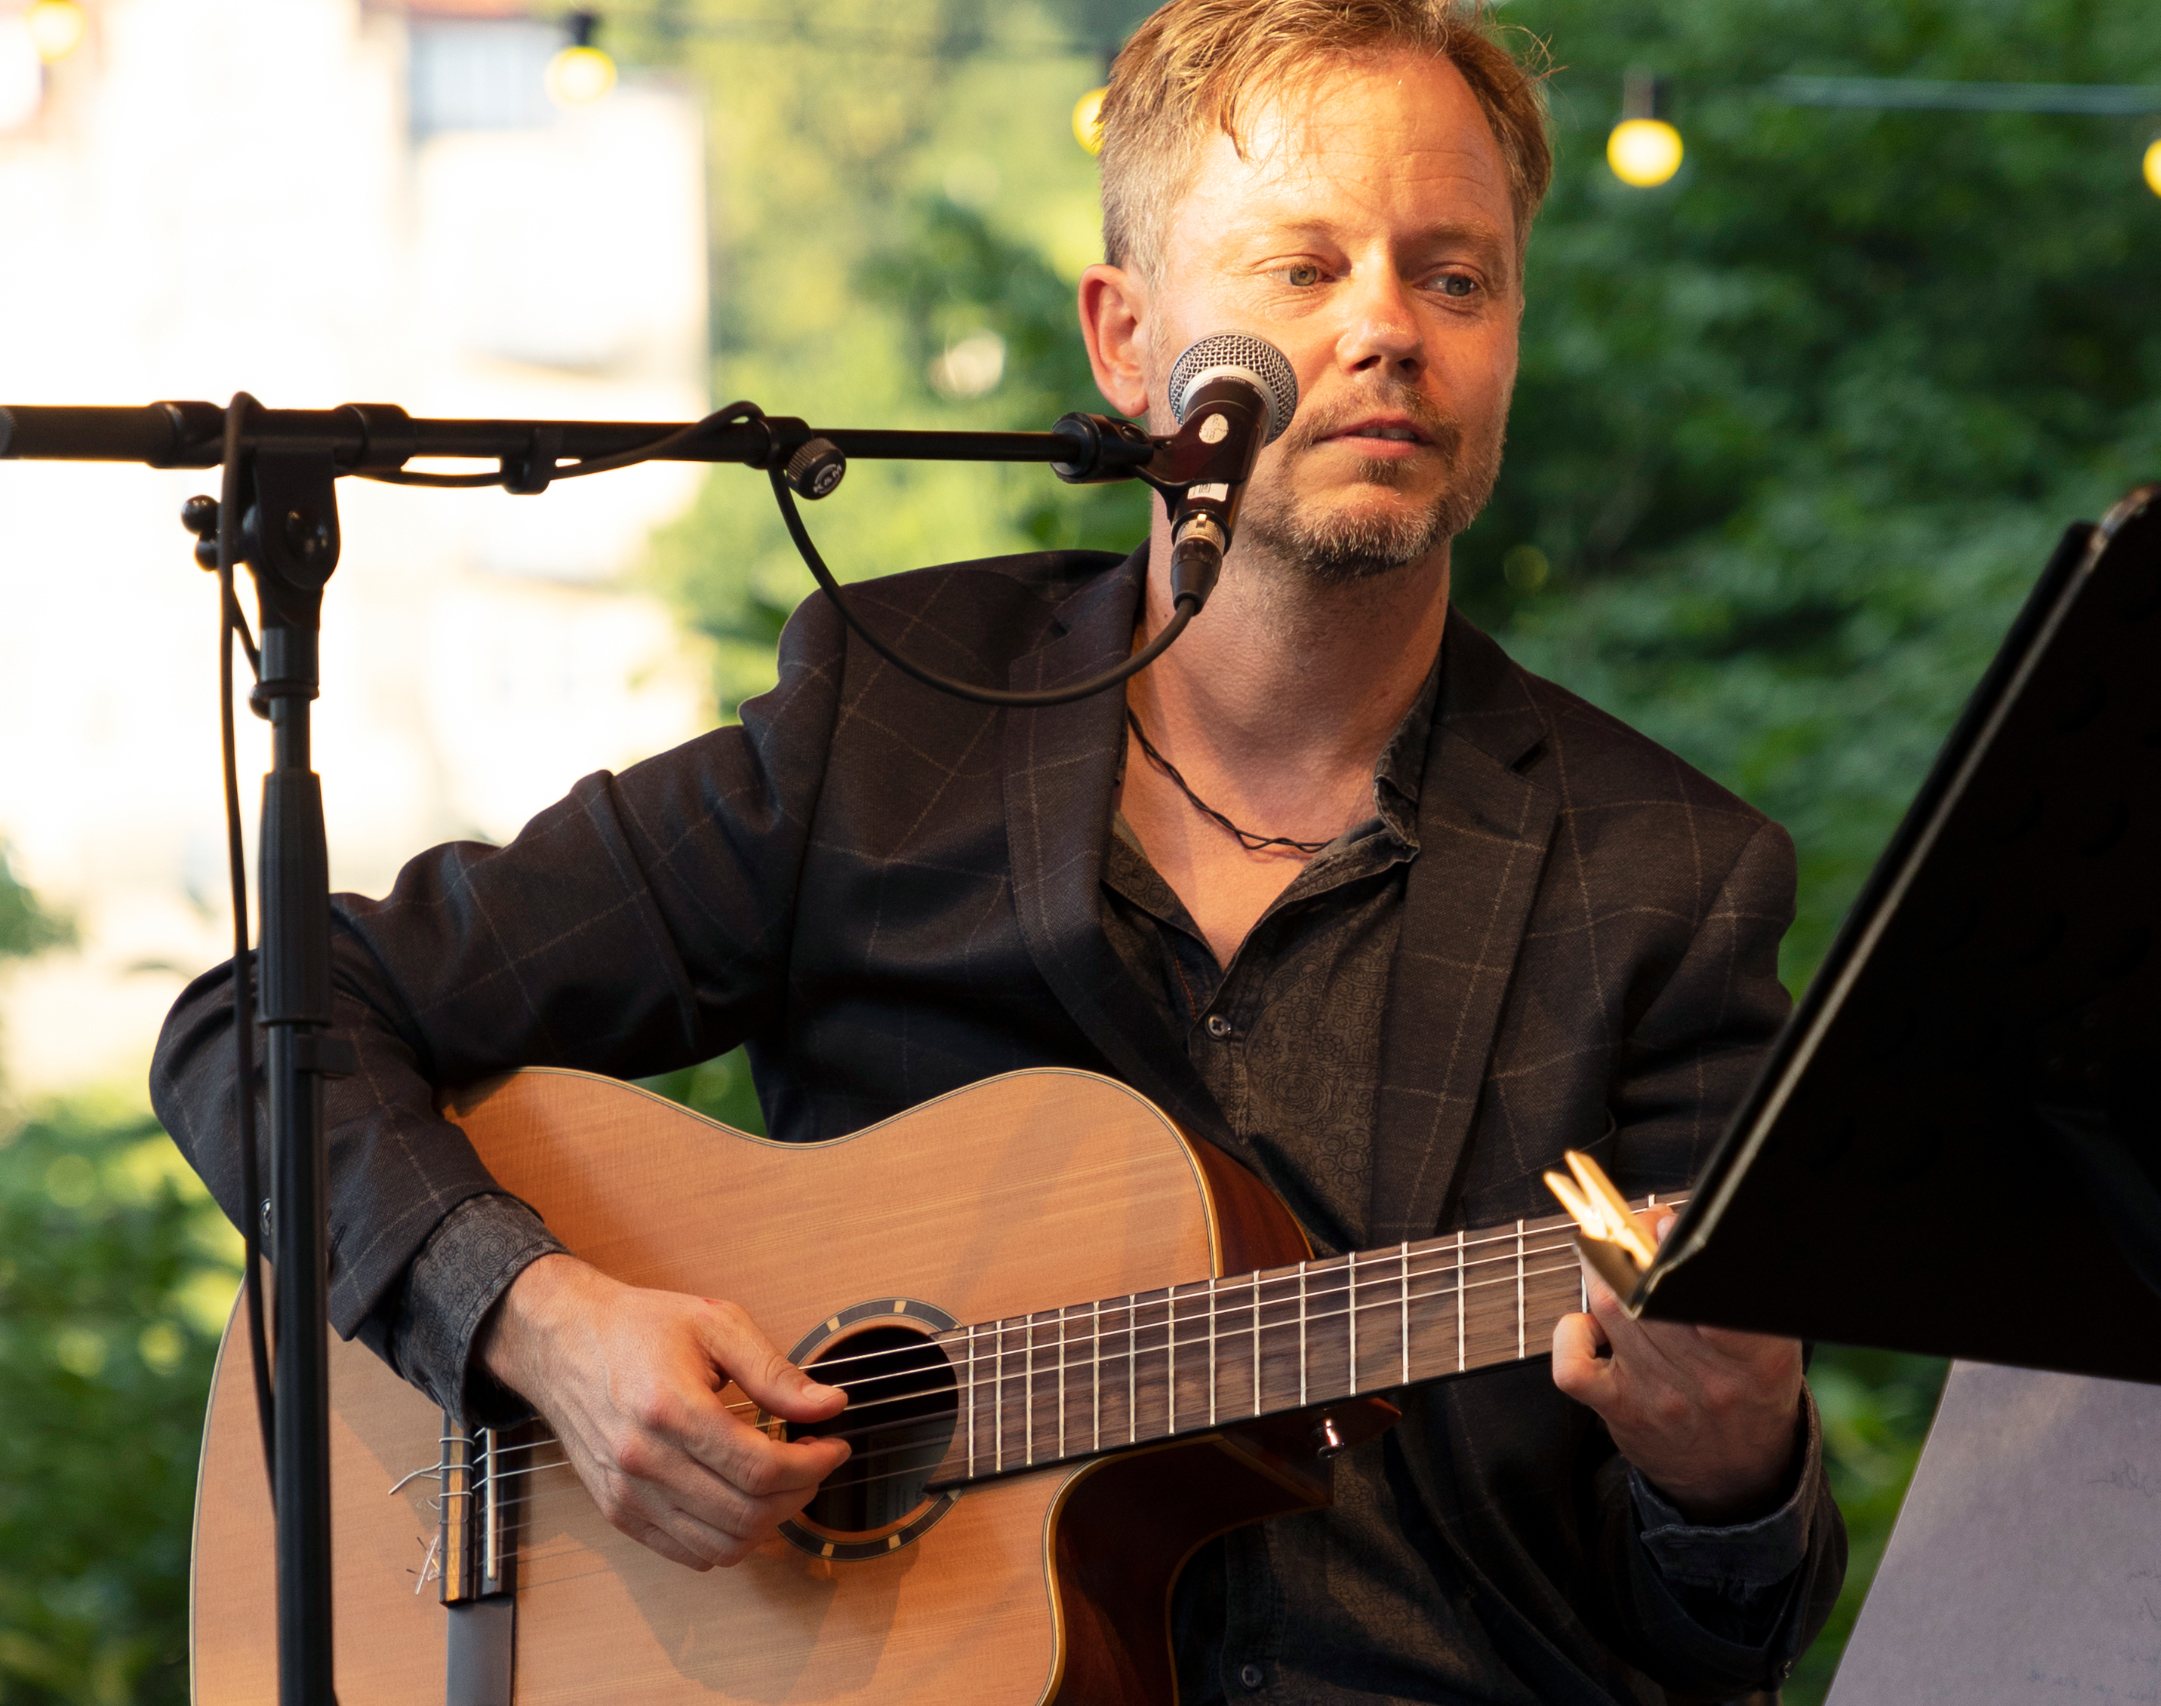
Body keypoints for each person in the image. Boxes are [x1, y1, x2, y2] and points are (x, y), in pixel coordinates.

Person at [154, 0, 1846, 1699]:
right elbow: (262, 1024)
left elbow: (1729, 1639)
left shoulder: (1668, 880)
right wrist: (533, 1320)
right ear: (1125, 341)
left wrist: (1731, 1472)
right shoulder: (888, 730)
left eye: (1455, 276)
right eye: (1302, 268)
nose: (1388, 328)